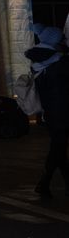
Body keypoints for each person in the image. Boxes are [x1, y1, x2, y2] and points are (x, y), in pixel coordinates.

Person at [26, 24, 69, 198]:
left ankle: (56, 182)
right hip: (63, 111)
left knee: (59, 147)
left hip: (50, 112)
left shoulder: (39, 63)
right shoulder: (60, 63)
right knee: (58, 148)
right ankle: (44, 182)